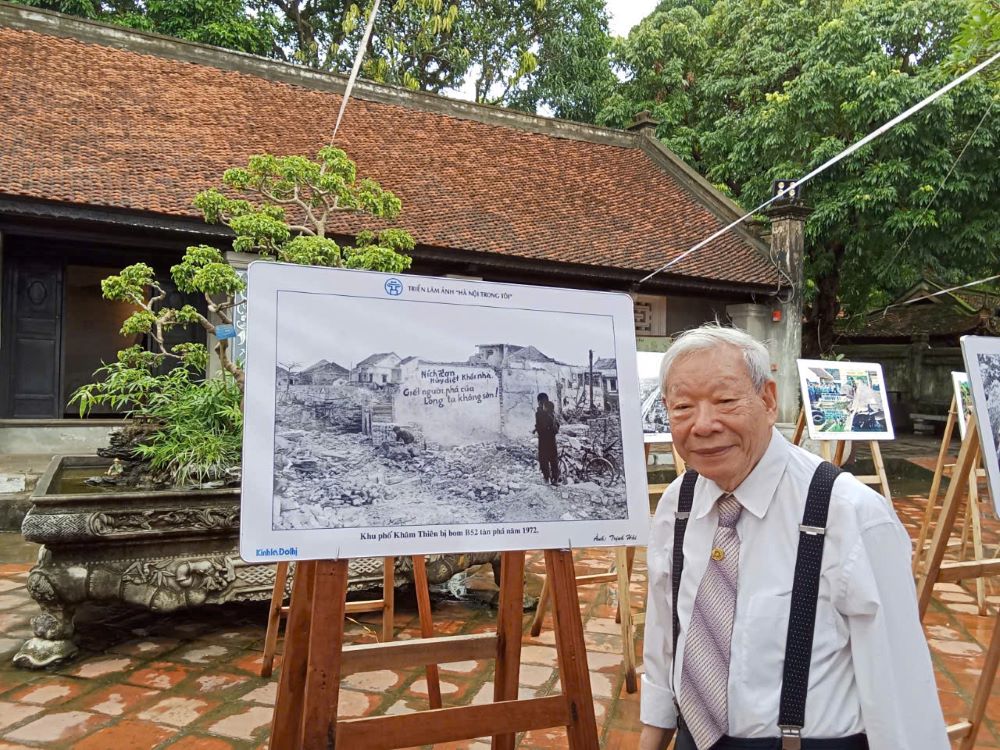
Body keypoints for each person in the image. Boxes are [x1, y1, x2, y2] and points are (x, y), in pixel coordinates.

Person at [640, 324, 948, 750]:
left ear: (768, 400)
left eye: (726, 401)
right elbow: (664, 636)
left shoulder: (851, 515)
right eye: (683, 407)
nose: (704, 424)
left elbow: (902, 697)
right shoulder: (678, 503)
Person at [533, 393, 560, 484]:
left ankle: (546, 478)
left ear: (539, 401)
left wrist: (537, 429)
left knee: (543, 459)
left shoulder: (539, 413)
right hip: (552, 440)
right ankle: (555, 479)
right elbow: (557, 425)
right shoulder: (552, 412)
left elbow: (540, 427)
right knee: (553, 459)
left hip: (543, 440)